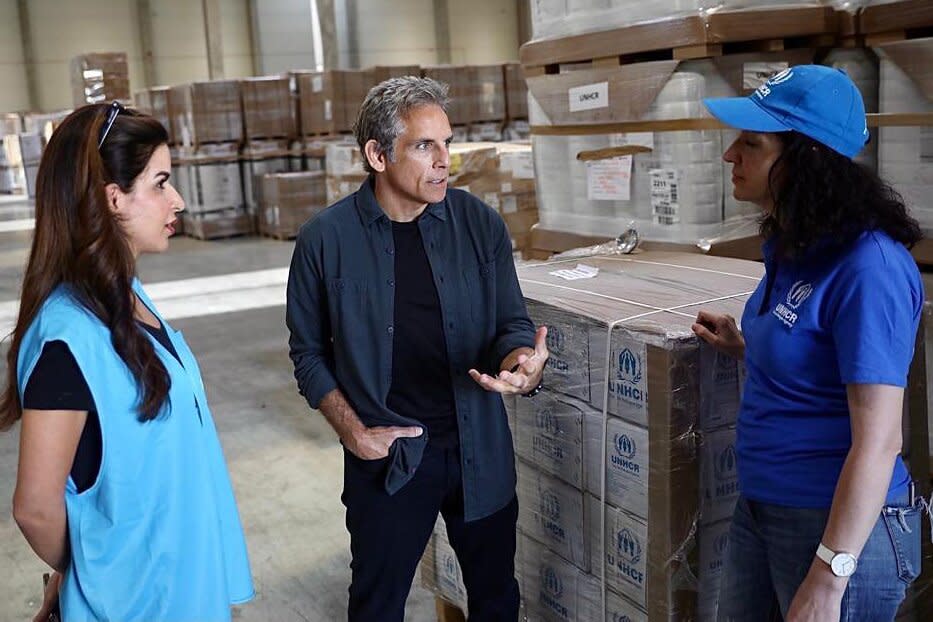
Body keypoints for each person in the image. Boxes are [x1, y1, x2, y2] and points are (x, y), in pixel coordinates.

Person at [286, 76, 547, 621]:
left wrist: (521, 362)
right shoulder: (324, 240)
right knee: (377, 605)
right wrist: (355, 434)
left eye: (447, 143)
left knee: (496, 598)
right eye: (425, 146)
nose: (443, 161)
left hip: (479, 448)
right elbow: (308, 354)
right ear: (377, 155)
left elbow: (510, 323)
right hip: (390, 456)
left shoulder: (479, 224)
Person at [1, 102, 254, 621]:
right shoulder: (67, 341)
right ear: (113, 198)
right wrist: (93, 570)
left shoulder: (127, 295)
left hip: (182, 584)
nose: (177, 200)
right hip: (136, 602)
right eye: (161, 183)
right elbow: (33, 507)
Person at [692, 65, 925, 621]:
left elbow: (879, 440)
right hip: (763, 507)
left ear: (806, 160)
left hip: (837, 529)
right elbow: (821, 358)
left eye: (751, 143)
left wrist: (829, 575)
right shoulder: (797, 245)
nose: (730, 155)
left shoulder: (869, 267)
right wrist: (747, 347)